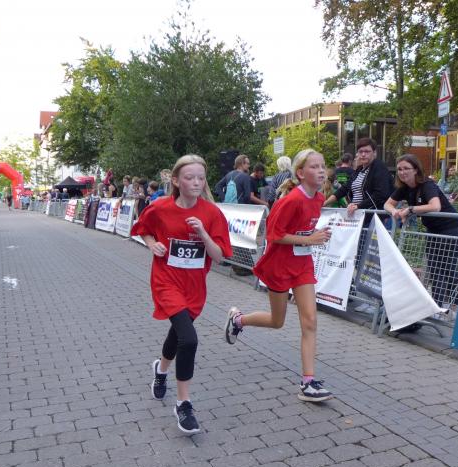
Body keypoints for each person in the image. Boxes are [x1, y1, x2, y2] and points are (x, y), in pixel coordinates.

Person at [131, 154, 232, 434]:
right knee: (189, 339)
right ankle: (183, 403)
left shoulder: (212, 214)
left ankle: (160, 370)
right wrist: (152, 244)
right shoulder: (160, 207)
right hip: (166, 282)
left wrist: (204, 234)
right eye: (190, 177)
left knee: (177, 335)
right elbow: (143, 229)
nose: (196, 182)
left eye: (201, 177)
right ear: (176, 180)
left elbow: (219, 257)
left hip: (194, 287)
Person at [224, 149, 333, 402]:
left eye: (323, 166)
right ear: (300, 173)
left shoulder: (318, 198)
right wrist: (310, 239)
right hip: (280, 265)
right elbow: (274, 235)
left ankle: (308, 383)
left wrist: (313, 236)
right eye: (314, 166)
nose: (321, 171)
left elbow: (303, 231)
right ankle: (238, 320)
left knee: (310, 321)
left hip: (302, 264)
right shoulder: (290, 200)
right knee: (277, 321)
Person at [384, 154, 458, 307]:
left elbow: (435, 206)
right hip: (433, 230)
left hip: (451, 229)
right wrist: (395, 211)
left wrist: (410, 209)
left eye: (406, 168)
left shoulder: (427, 185)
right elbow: (387, 204)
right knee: (435, 269)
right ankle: (438, 307)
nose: (402, 172)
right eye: (399, 169)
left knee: (448, 270)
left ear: (416, 170)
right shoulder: (404, 188)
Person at [324, 138, 393, 224]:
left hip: (374, 217)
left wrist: (358, 206)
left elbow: (380, 194)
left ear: (374, 153)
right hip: (359, 216)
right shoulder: (359, 170)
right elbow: (344, 189)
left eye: (367, 151)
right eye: (360, 151)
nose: (363, 154)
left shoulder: (379, 168)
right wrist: (325, 203)